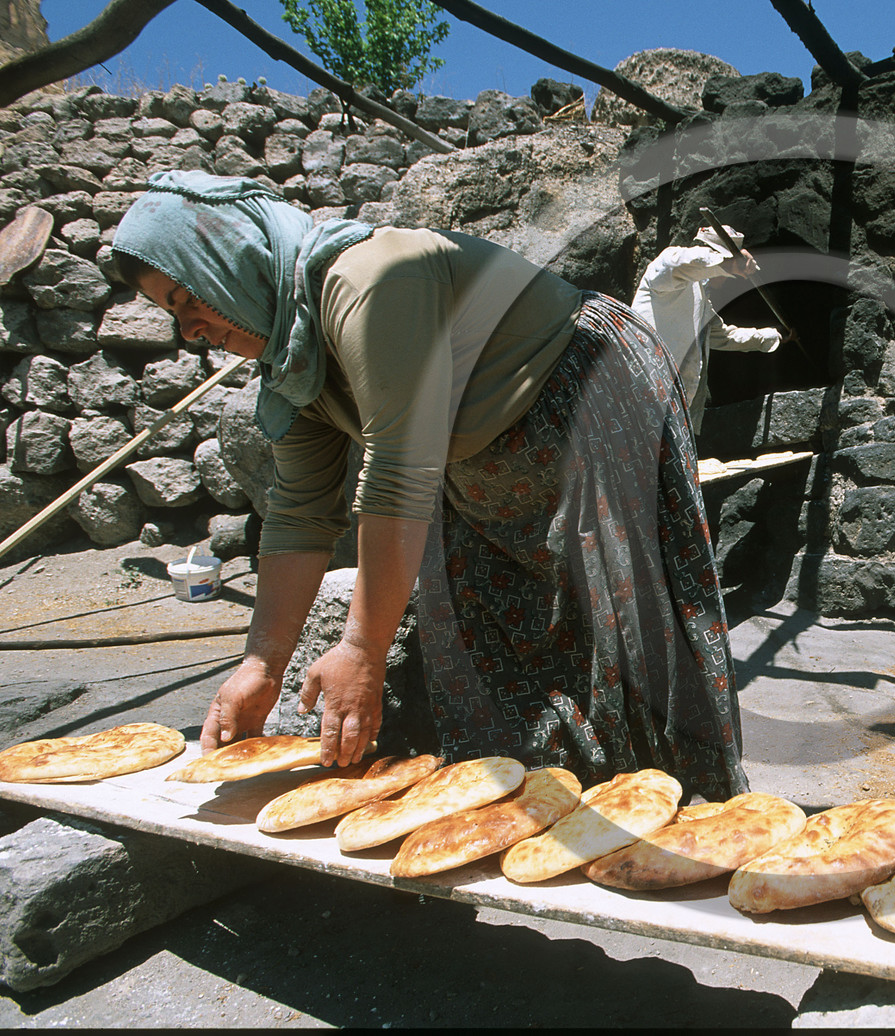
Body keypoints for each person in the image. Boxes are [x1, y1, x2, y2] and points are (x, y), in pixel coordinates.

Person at [111, 171, 747, 802]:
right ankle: (536, 813)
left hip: (583, 402)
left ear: (230, 259)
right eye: (174, 314)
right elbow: (300, 515)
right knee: (489, 650)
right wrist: (261, 664)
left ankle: (676, 818)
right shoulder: (294, 362)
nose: (190, 329)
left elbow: (396, 470)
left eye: (187, 298)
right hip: (476, 467)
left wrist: (362, 646)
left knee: (624, 630)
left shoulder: (368, 281)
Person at [630, 225, 786, 433]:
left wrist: (774, 336)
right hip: (639, 388)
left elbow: (725, 336)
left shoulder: (702, 303)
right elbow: (681, 263)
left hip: (670, 404)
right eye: (727, 273)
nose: (726, 278)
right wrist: (726, 263)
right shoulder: (666, 272)